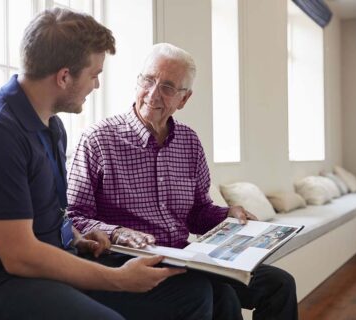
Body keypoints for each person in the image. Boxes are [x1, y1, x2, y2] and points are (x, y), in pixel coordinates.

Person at [0, 10, 217, 320]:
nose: (96, 85)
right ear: (64, 76)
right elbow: (19, 256)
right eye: (94, 74)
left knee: (191, 295)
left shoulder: (52, 128)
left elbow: (54, 216)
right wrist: (119, 280)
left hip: (48, 265)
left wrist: (78, 238)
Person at [67, 42, 299, 320]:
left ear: (184, 99)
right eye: (148, 80)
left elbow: (198, 213)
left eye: (167, 87)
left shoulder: (189, 142)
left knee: (279, 285)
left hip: (186, 257)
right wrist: (118, 232)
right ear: (137, 82)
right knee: (218, 294)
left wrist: (228, 214)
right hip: (127, 260)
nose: (153, 94)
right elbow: (75, 216)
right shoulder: (98, 139)